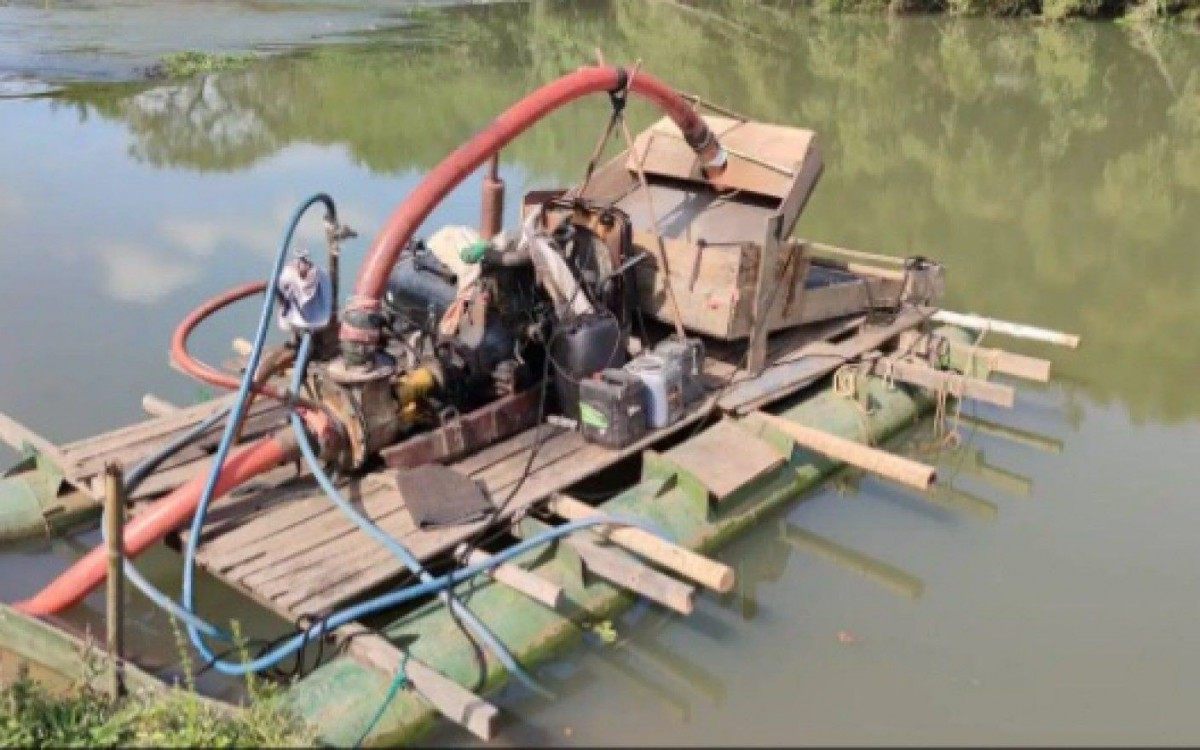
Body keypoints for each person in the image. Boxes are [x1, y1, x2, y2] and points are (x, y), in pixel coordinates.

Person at [276, 244, 332, 333]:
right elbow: (281, 293)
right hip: (295, 316)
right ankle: (297, 336)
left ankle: (306, 336)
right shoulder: (288, 273)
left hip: (314, 317)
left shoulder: (320, 273)